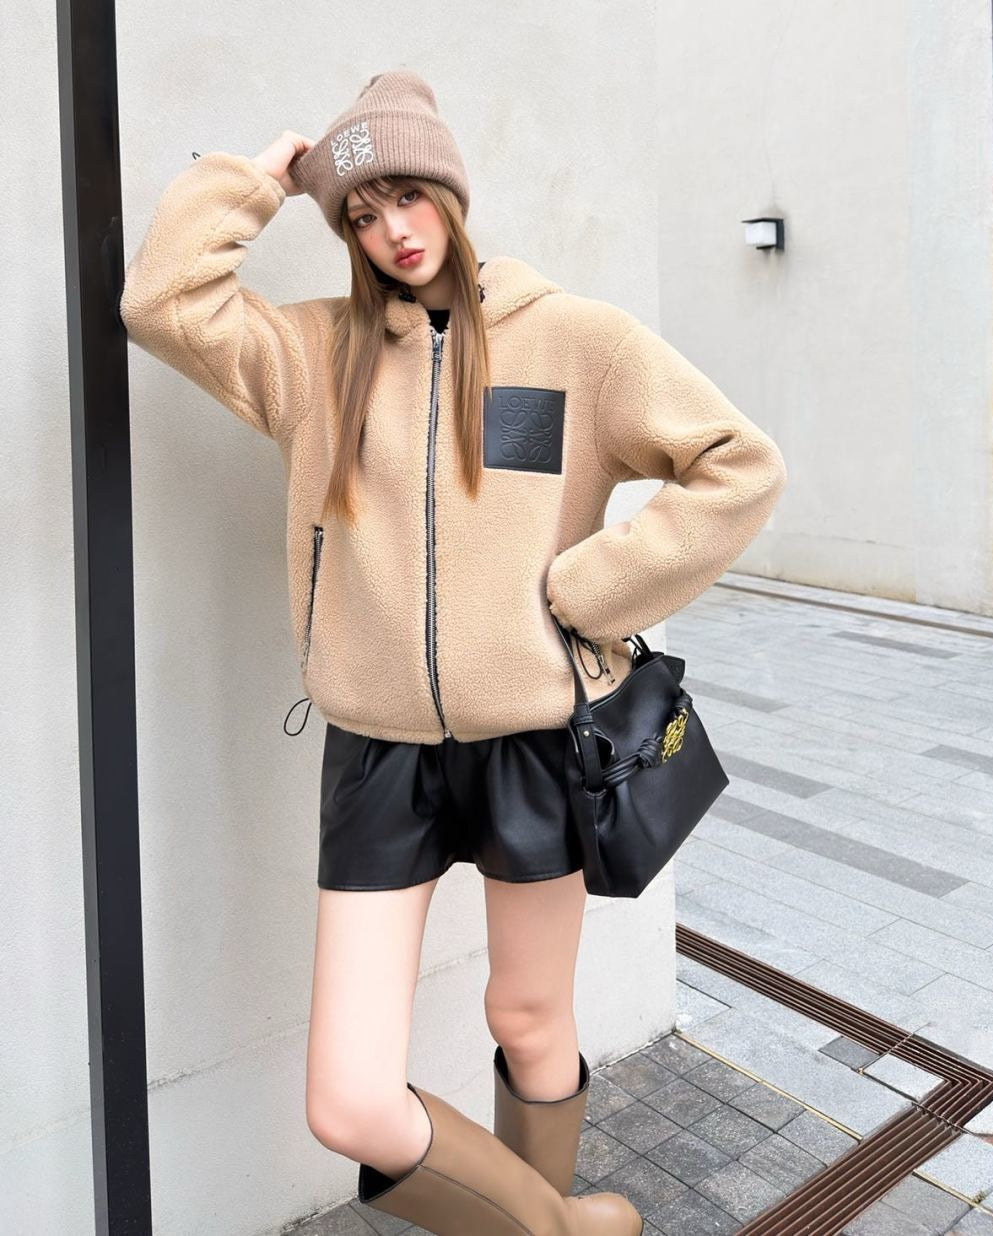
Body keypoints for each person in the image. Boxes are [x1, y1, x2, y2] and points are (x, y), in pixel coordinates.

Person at [119, 67, 787, 1234]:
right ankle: (561, 1228)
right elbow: (163, 300)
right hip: (378, 754)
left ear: (451, 194)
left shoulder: (576, 341)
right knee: (348, 1099)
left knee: (529, 1019)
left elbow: (740, 466)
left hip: (535, 746)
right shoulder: (314, 357)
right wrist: (265, 180)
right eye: (361, 213)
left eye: (408, 196)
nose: (392, 229)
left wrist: (591, 588)